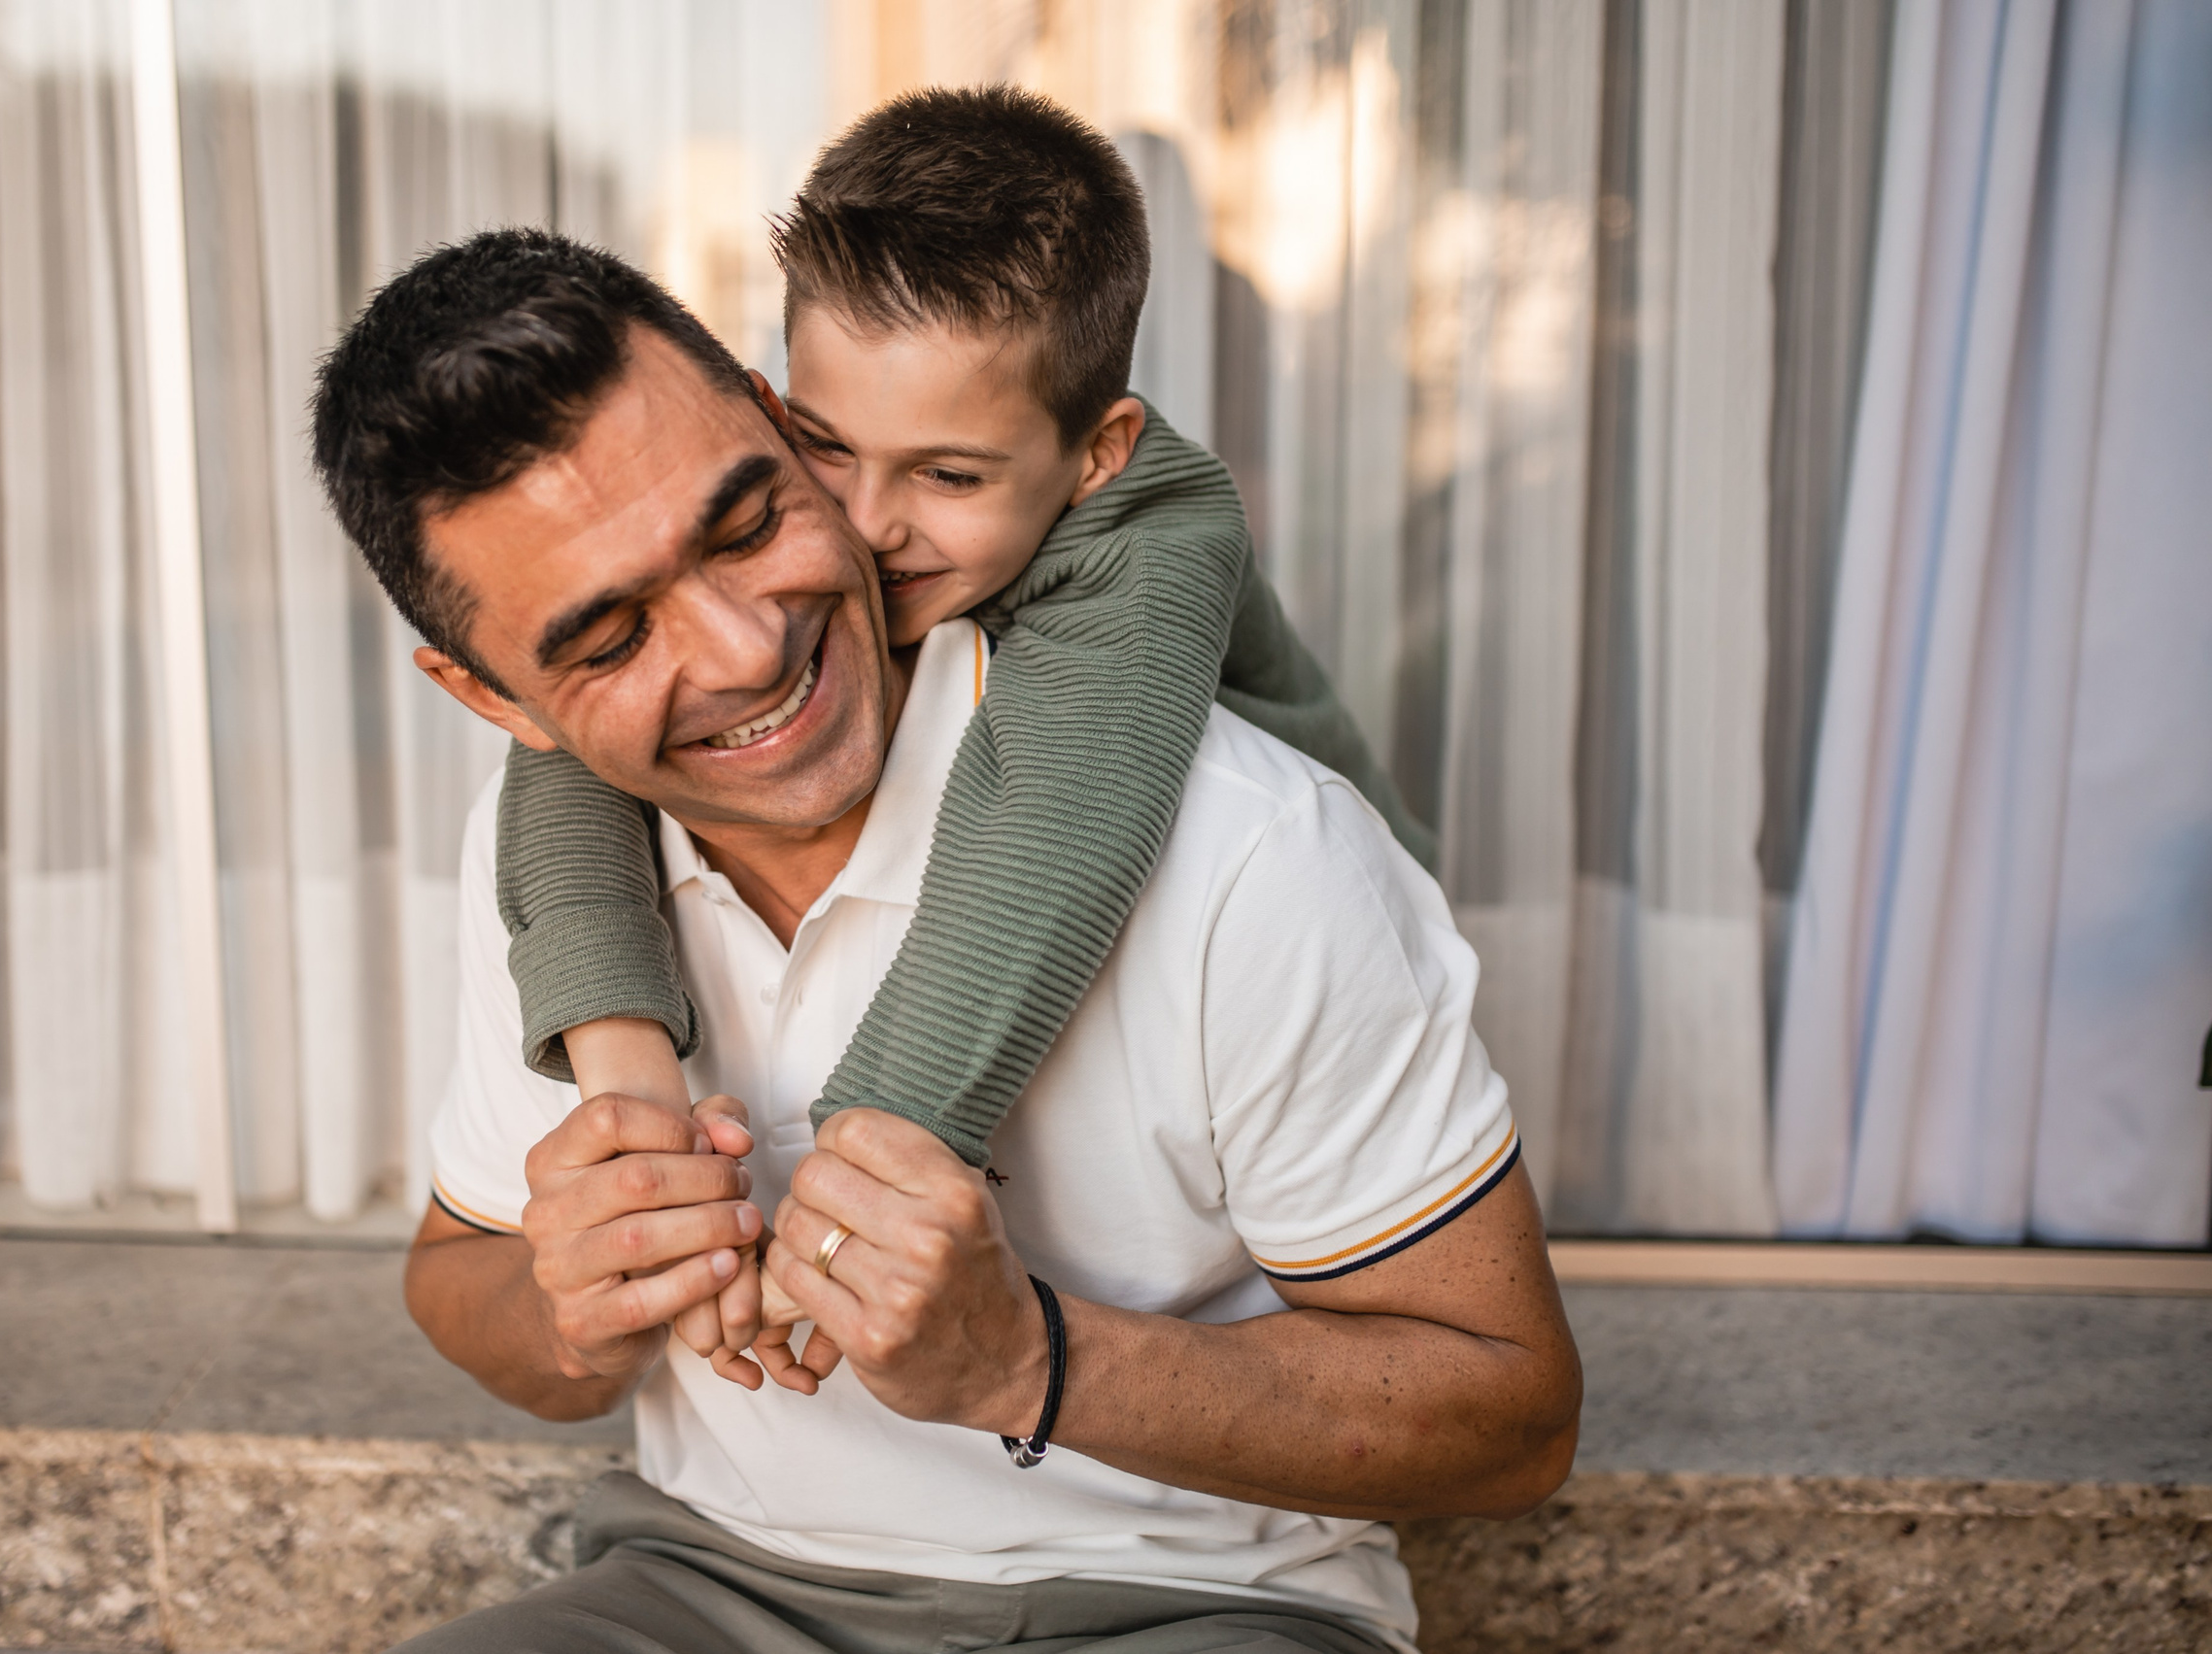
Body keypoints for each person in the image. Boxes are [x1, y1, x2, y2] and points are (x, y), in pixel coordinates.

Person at [311, 225, 1581, 1651]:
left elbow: (1509, 1417)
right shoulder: (539, 848)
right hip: (703, 1584)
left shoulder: (1252, 844)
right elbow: (458, 1271)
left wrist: (1033, 1357)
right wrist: (571, 1307)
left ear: (784, 418)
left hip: (1183, 1606)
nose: (741, 649)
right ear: (494, 697)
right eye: (608, 639)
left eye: (743, 525)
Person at [492, 90, 1442, 1255]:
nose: (866, 525)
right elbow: (574, 729)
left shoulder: (1158, 544)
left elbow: (1053, 838)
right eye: (826, 445)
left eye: (948, 477)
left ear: (1099, 454)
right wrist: (624, 1064)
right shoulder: (789, 465)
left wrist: (856, 1192)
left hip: (1337, 967)